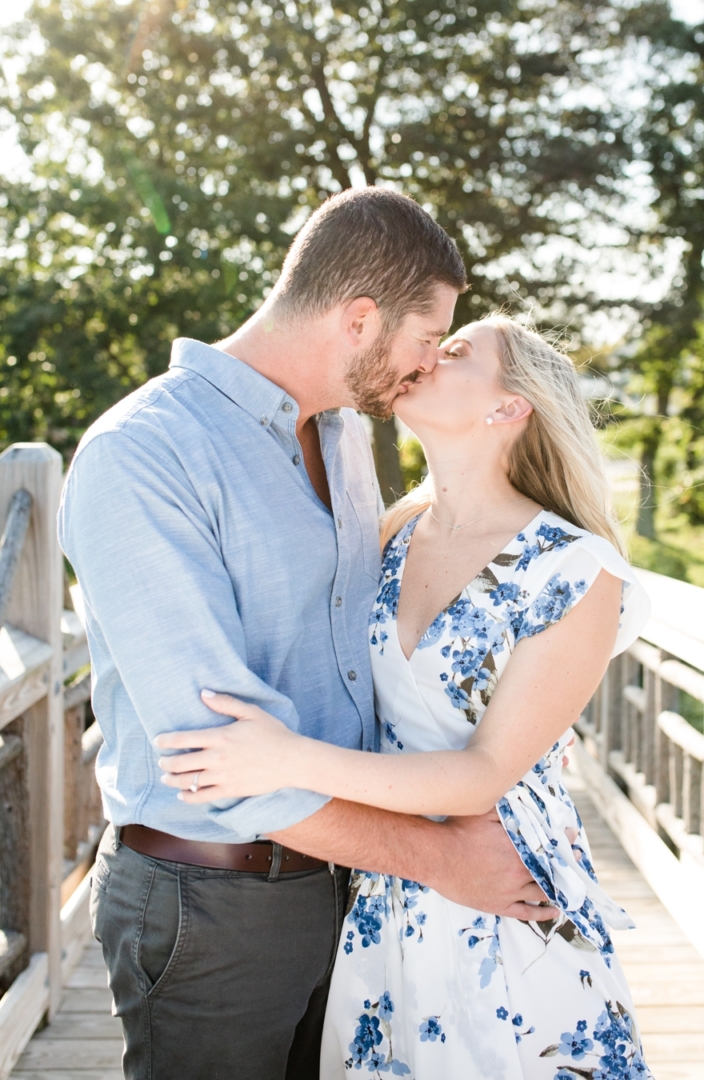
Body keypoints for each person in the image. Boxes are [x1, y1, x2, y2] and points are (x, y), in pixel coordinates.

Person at [58, 188, 563, 1080]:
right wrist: (444, 859)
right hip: (210, 904)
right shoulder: (142, 453)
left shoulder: (340, 436)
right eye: (422, 343)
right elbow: (217, 755)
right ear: (359, 318)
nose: (423, 370)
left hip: (351, 892)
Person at [156, 315, 652, 1078]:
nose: (426, 357)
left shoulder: (577, 572)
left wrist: (283, 760)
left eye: (455, 353)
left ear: (510, 407)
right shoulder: (390, 533)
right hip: (391, 886)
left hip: (505, 887)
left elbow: (485, 772)